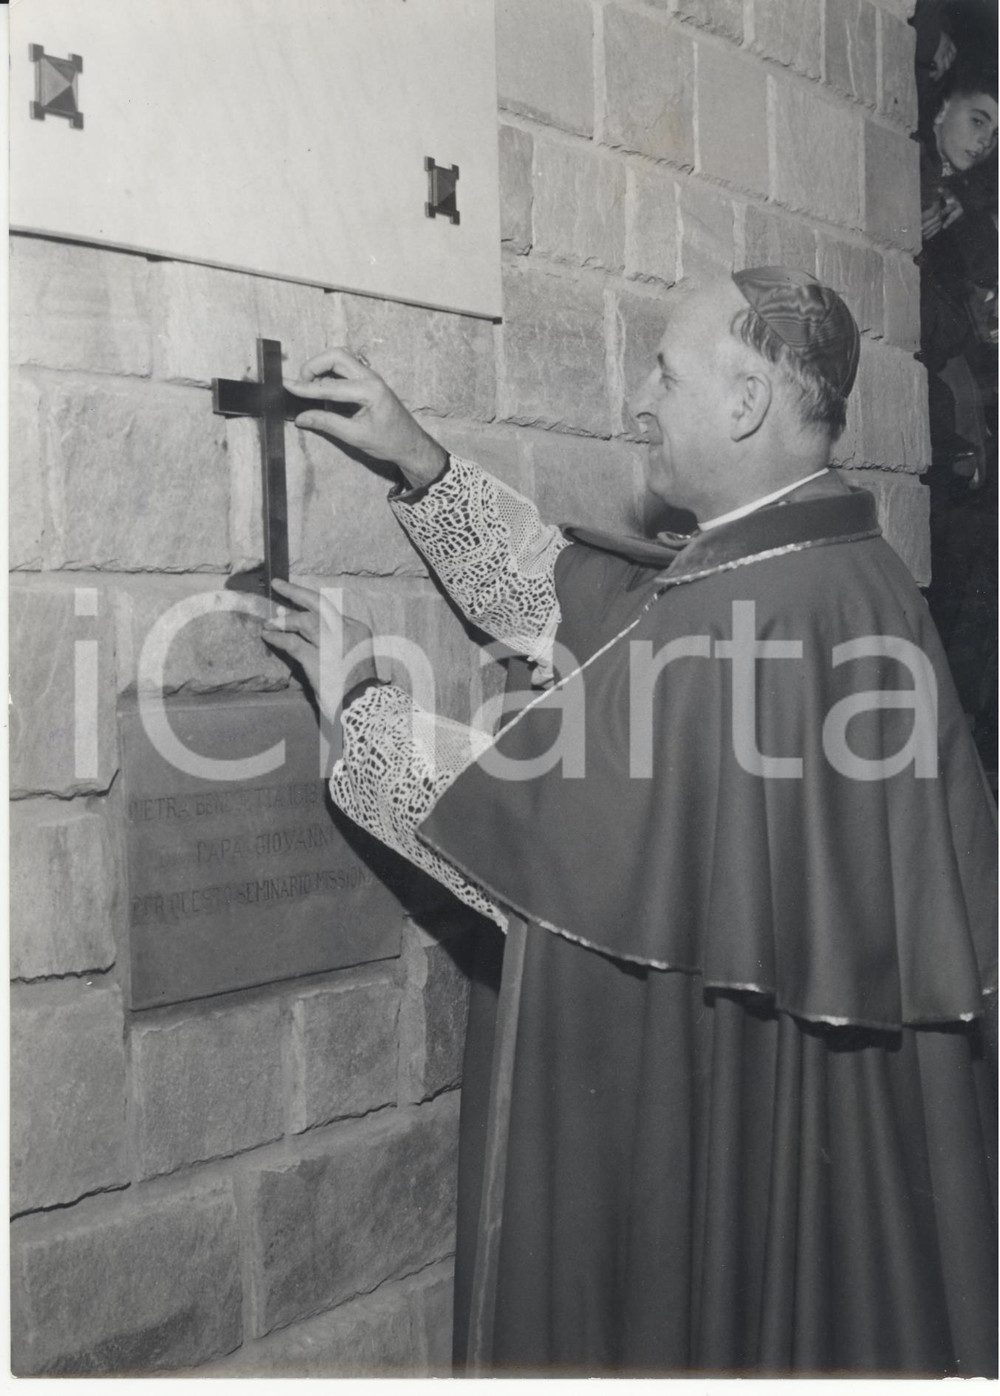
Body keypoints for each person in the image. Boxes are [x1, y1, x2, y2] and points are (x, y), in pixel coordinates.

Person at [262, 267, 997, 1377]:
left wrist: (362, 709)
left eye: (664, 372)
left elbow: (540, 846)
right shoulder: (831, 562)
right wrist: (422, 465)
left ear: (746, 402)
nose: (639, 399)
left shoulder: (758, 610)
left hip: (721, 1119)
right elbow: (582, 603)